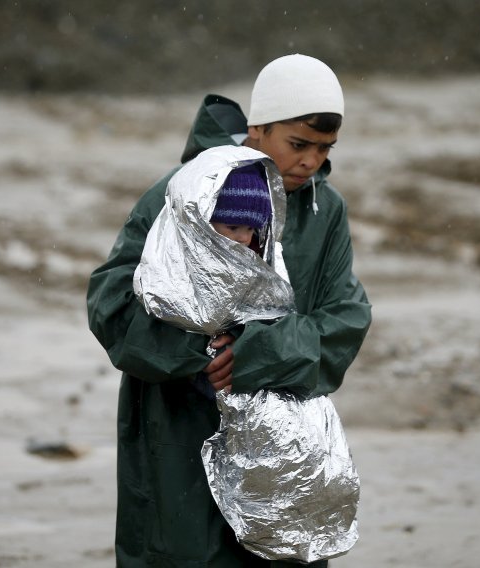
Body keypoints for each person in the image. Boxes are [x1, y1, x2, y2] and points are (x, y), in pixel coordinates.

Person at [87, 53, 372, 567]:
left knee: (283, 554)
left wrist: (259, 353)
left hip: (285, 441)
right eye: (299, 144)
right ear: (257, 129)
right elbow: (112, 305)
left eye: (326, 148)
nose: (311, 161)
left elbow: (344, 321)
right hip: (176, 433)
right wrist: (205, 350)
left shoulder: (324, 211)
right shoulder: (182, 194)